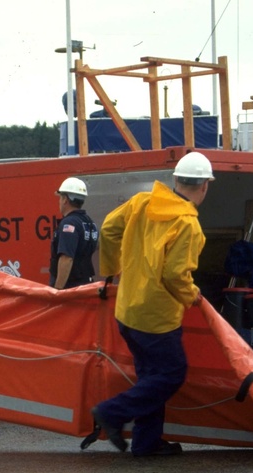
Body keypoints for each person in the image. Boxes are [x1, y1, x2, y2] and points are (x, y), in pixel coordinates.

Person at [91, 152, 212, 457]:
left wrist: (114, 269)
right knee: (171, 374)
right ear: (204, 187)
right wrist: (191, 294)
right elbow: (174, 274)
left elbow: (108, 230)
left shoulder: (142, 201)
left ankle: (146, 444)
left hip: (127, 308)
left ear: (176, 180)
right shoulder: (187, 223)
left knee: (152, 377)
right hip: (157, 316)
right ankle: (112, 412)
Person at [49, 177, 99, 289]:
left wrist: (57, 291)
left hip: (70, 288)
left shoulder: (69, 223)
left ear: (65, 199)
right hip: (86, 284)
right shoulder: (90, 223)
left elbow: (67, 258)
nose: (59, 202)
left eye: (60, 198)